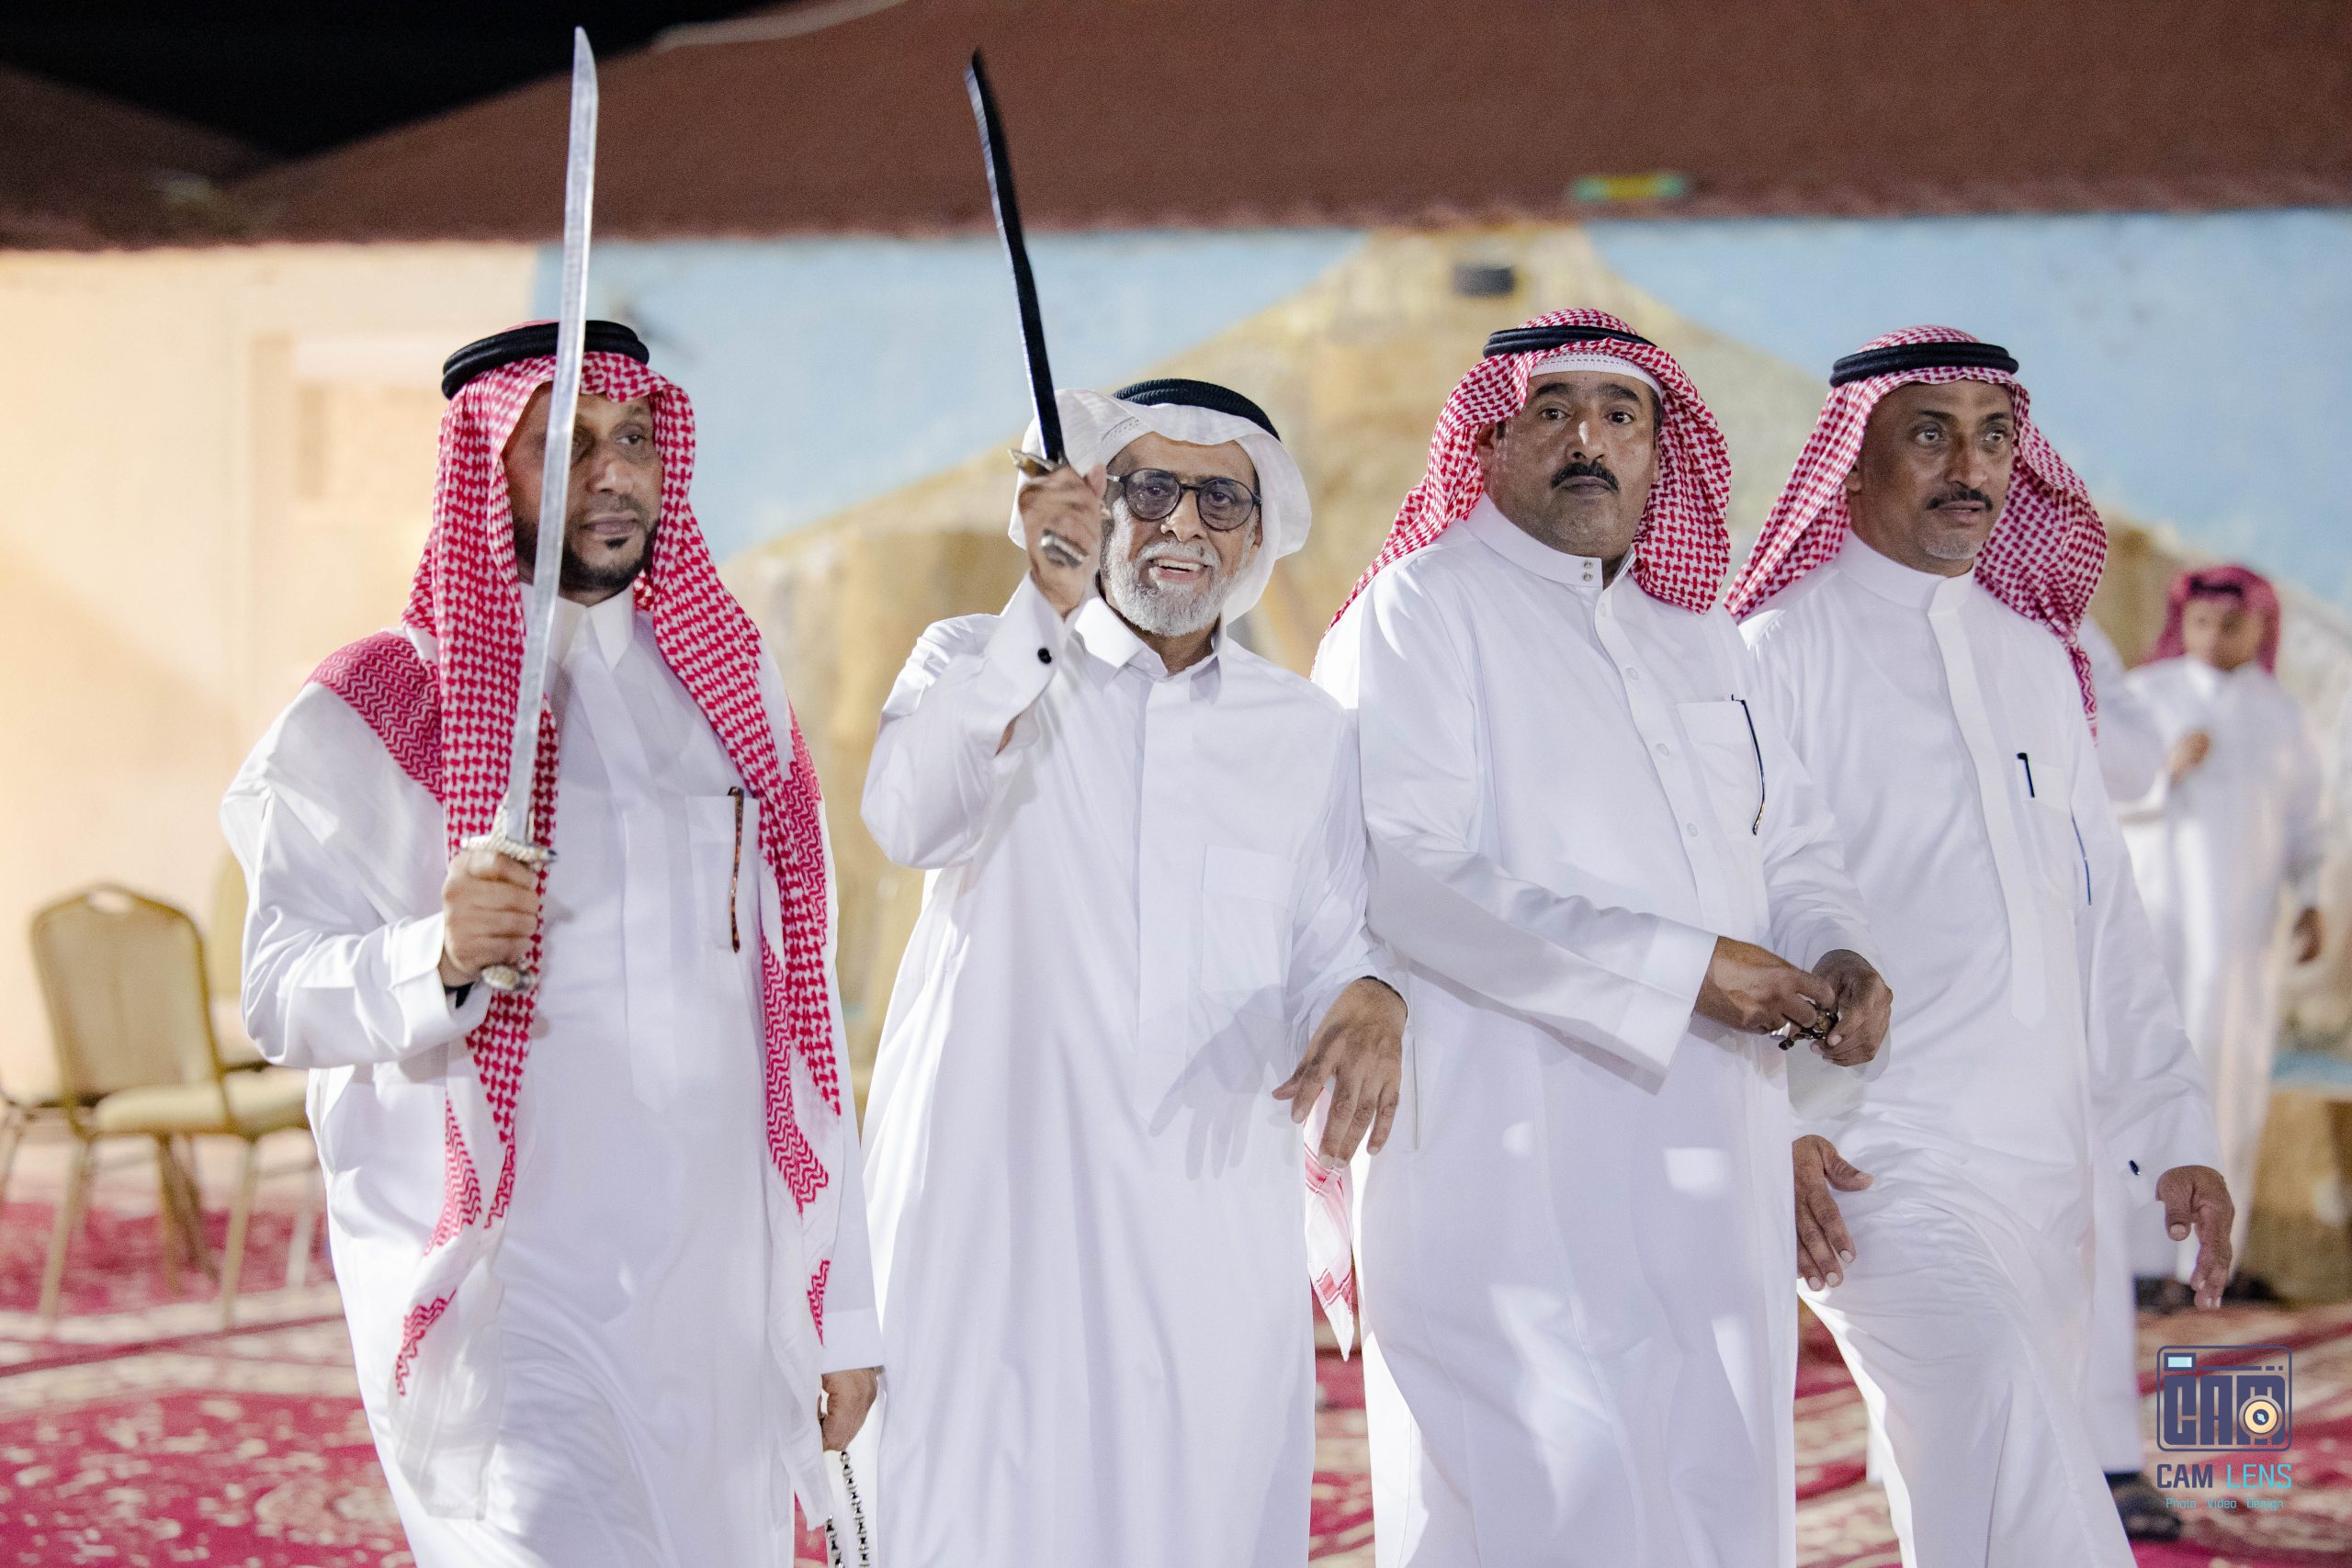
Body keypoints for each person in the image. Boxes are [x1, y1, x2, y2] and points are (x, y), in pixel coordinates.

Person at [223, 321, 878, 1566]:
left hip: (715, 1300)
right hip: (515, 1298)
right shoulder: (379, 706)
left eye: (633, 437)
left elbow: (799, 1028)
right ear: (484, 471)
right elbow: (276, 989)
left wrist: (840, 1309)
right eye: (564, 446)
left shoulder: (729, 693)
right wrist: (436, 954)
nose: (614, 472)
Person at [1315, 309, 1890, 1568]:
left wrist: (1837, 947)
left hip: (1717, 1137)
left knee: (1715, 1473)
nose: (1590, 438)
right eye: (1554, 411)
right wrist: (1685, 971)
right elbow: (1409, 871)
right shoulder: (1422, 609)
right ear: (1490, 439)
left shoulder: (1702, 635)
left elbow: (1791, 842)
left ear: (1657, 449)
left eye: (1621, 414)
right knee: (1543, 1490)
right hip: (1506, 1142)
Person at [856, 378, 1404, 1568]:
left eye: (1220, 499)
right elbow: (908, 817)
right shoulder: (978, 659)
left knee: (1198, 1516)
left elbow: (1328, 945)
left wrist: (1368, 994)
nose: (1183, 523)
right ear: (1095, 508)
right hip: (999, 1204)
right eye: (1148, 489)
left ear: (1257, 534)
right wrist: (1039, 608)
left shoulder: (1302, 730)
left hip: (1201, 1212)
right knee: (981, 1522)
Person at [1732, 325, 2232, 1567]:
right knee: (2002, 1418)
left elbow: (2103, 915)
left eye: (1995, 436)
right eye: (1931, 435)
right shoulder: (1773, 653)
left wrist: (2174, 1126)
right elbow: (1733, 908)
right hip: (1871, 1155)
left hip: (2045, 1159)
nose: (1971, 467)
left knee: (1971, 1477)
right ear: (1850, 462)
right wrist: (1771, 1125)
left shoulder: (2032, 659)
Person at [2120, 565, 2324, 1283]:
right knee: (2151, 1081)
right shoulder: (2146, 696)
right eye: (2201, 621)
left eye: (2230, 624)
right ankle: (2140, 1264)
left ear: (2260, 627)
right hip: (2158, 928)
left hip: (2242, 942)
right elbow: (2095, 793)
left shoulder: (2282, 715)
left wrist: (2314, 898)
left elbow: (2309, 823)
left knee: (2229, 1086)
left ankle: (2204, 1266)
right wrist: (2165, 773)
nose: (2213, 636)